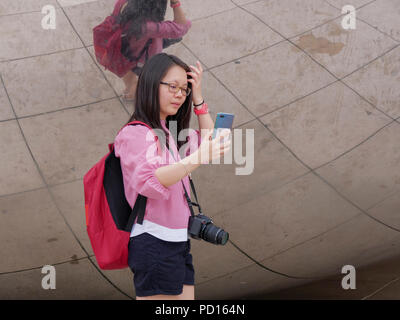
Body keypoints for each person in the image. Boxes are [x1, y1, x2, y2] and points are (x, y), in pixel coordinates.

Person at [113, 53, 231, 300]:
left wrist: (198, 97)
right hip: (154, 241)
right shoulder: (135, 133)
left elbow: (211, 142)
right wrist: (197, 157)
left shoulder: (170, 132)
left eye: (184, 89)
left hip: (178, 240)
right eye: (173, 87)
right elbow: (150, 180)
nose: (179, 94)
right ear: (151, 84)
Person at [115, 0, 191, 101]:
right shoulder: (150, 27)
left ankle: (130, 88)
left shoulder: (122, 4)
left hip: (125, 51)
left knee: (128, 73)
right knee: (145, 77)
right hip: (144, 56)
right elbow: (182, 26)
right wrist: (175, 2)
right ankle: (134, 92)